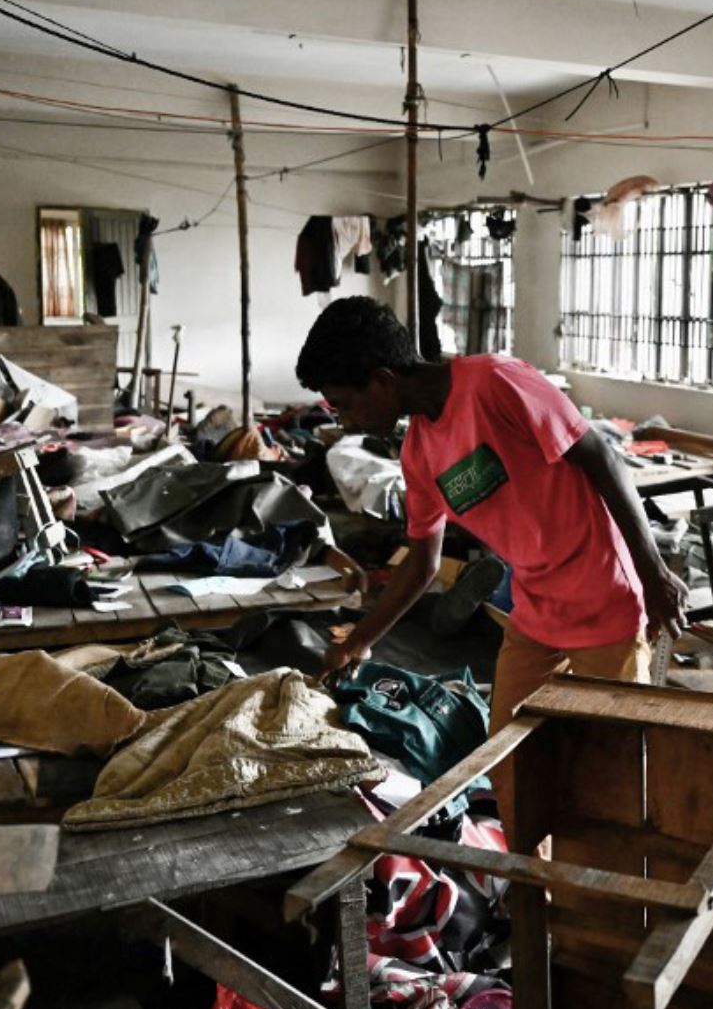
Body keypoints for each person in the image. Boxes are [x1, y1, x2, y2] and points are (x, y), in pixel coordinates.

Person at [294, 297, 688, 808]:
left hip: (603, 601)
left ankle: (598, 887)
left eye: (345, 403)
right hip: (534, 610)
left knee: (609, 778)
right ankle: (530, 887)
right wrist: (358, 641)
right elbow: (422, 563)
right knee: (510, 766)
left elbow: (600, 457)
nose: (345, 420)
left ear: (384, 381)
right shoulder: (418, 454)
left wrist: (652, 573)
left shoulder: (494, 383)